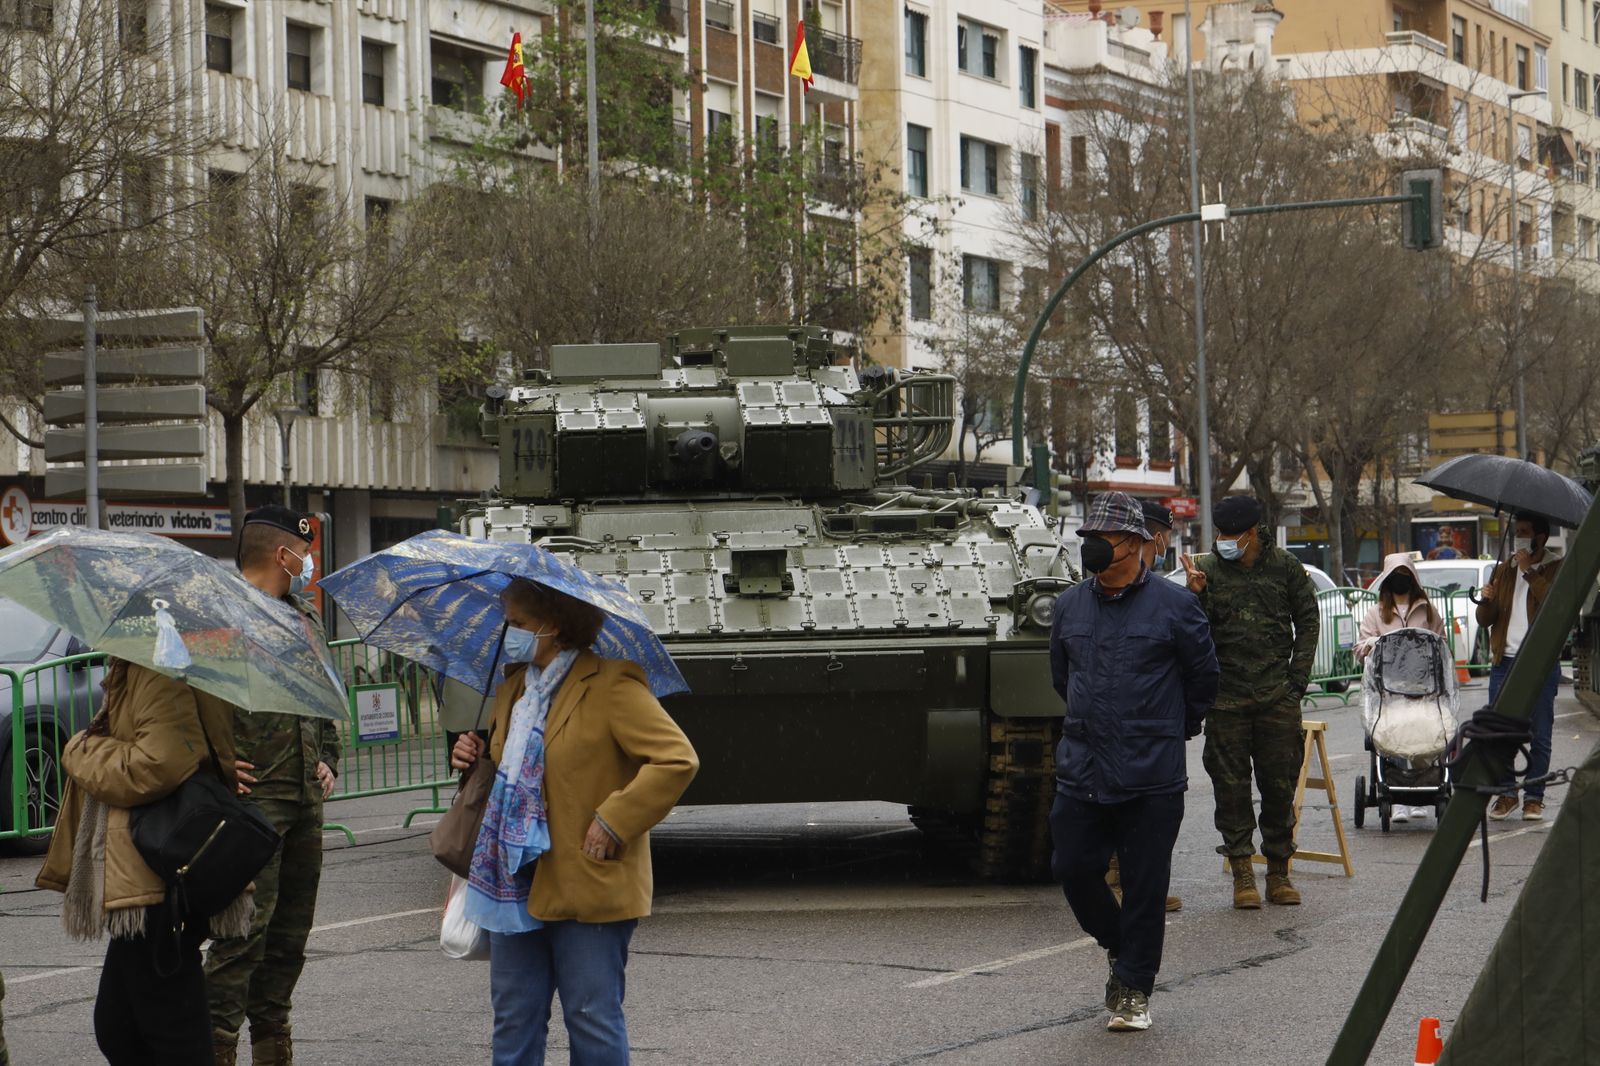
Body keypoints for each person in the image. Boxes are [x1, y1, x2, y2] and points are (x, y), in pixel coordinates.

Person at [450, 577, 698, 1065]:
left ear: (555, 625)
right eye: (507, 622)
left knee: (591, 1018)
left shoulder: (611, 684)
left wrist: (613, 820)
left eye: (518, 623)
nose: (509, 633)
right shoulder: (512, 689)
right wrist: (475, 754)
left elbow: (676, 760)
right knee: (514, 1019)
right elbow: (512, 777)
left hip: (586, 879)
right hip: (513, 882)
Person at [1049, 492, 1219, 1033]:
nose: (1093, 547)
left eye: (1105, 538)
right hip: (1083, 768)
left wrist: (1170, 728)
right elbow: (1062, 677)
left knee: (1146, 885)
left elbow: (1203, 681)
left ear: (1138, 545)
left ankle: (1132, 988)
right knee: (1072, 867)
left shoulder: (1176, 607)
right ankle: (1124, 946)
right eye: (1087, 537)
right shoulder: (1070, 604)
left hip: (1151, 774)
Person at [35, 660, 247, 1065]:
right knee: (120, 1024)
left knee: (168, 1030)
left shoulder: (160, 663)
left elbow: (158, 764)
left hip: (160, 866)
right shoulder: (151, 660)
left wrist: (81, 748)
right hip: (154, 864)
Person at [208, 505, 341, 1066]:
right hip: (250, 804)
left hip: (303, 801)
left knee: (288, 942)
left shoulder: (304, 619)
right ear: (280, 554)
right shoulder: (223, 618)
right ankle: (210, 1048)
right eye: (303, 552)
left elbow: (323, 701)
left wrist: (329, 756)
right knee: (242, 941)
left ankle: (272, 1048)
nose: (309, 562)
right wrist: (212, 764)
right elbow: (195, 704)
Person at [1180, 495, 1318, 909]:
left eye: (1229, 534)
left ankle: (1278, 873)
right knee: (1231, 791)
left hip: (1277, 698)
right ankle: (1243, 875)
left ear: (1253, 532)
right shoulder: (1206, 571)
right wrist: (1196, 596)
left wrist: (1297, 682)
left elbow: (1309, 621)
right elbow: (1191, 633)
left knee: (1278, 789)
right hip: (1226, 702)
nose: (1222, 541)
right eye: (1218, 533)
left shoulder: (1286, 568)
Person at [1104, 500, 1186, 915]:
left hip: (1144, 713)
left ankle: (1136, 882)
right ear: (1153, 536)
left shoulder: (1157, 587)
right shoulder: (1125, 581)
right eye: (1165, 536)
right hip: (1128, 712)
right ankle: (1125, 883)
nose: (1166, 544)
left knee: (1139, 804)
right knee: (1130, 801)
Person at [1475, 513, 1565, 822]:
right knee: (1499, 732)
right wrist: (1486, 601)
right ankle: (1506, 793)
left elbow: (1556, 605)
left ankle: (1534, 798)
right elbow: (1486, 621)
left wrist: (1529, 572)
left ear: (1540, 537)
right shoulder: (1504, 570)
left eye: (1525, 532)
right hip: (1504, 661)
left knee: (1540, 732)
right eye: (1516, 531)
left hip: (1539, 662)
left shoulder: (1555, 567)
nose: (1518, 537)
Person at [1355, 553, 1447, 824]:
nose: (1401, 579)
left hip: (1424, 689)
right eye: (1396, 575)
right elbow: (1359, 648)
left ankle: (1421, 790)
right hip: (1389, 693)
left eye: (1405, 574)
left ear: (1413, 578)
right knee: (1394, 737)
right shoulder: (1375, 614)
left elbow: (1442, 644)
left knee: (1423, 735)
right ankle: (1397, 798)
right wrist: (1374, 642)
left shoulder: (1427, 610)